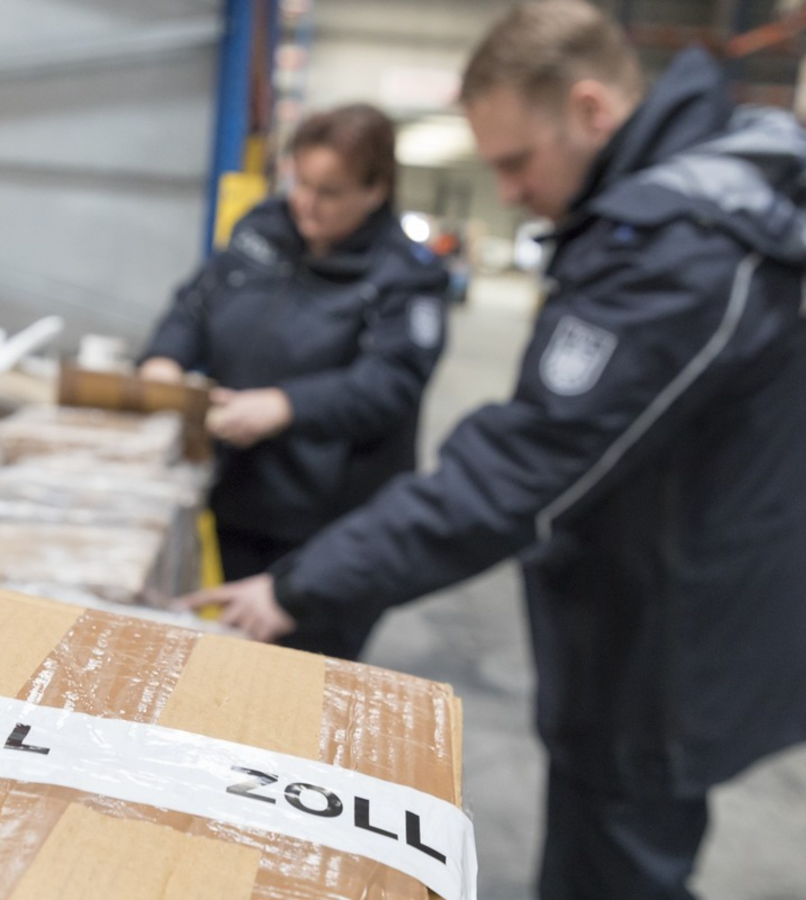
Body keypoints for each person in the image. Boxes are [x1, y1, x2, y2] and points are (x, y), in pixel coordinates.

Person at [181, 3, 806, 898]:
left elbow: (519, 471)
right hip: (649, 597)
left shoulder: (680, 249)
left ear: (591, 110)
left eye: (516, 162)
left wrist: (303, 585)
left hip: (665, 637)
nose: (507, 193)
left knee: (616, 863)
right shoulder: (672, 209)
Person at [139, 102, 449, 659]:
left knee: (302, 673)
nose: (306, 202)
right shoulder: (262, 230)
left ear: (375, 190)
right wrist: (164, 360)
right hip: (241, 494)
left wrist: (286, 406)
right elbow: (195, 305)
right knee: (235, 661)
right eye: (300, 182)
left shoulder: (404, 275)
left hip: (328, 525)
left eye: (329, 192)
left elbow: (391, 382)